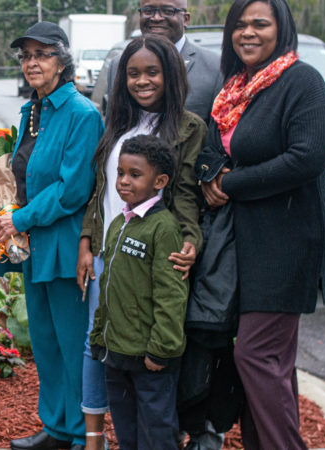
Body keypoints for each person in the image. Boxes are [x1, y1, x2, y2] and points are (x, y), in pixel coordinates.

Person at [199, 0, 325, 448]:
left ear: (282, 28)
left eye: (260, 23)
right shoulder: (236, 88)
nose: (248, 33)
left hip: (288, 242)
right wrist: (210, 177)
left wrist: (233, 183)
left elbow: (306, 158)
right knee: (269, 362)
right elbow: (217, 148)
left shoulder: (303, 82)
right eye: (240, 25)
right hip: (242, 243)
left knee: (255, 354)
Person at [0, 22, 104, 450]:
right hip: (32, 247)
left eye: (42, 54)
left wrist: (21, 218)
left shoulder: (82, 115)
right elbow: (25, 173)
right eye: (26, 55)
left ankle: (84, 436)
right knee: (44, 345)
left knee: (71, 346)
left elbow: (73, 189)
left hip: (65, 248)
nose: (32, 62)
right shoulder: (32, 111)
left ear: (63, 61)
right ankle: (56, 430)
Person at [76, 34, 205, 450]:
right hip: (108, 252)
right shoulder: (116, 122)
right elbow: (100, 190)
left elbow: (185, 192)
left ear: (170, 75)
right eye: (133, 73)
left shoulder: (188, 126)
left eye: (152, 72)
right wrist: (86, 240)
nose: (142, 81)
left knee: (150, 367)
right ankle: (99, 439)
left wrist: (190, 238)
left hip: (150, 254)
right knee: (104, 349)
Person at [89, 134, 189, 449]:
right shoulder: (120, 222)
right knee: (127, 433)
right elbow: (107, 287)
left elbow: (171, 295)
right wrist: (98, 335)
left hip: (150, 360)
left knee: (157, 434)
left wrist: (161, 349)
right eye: (120, 173)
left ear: (160, 181)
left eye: (135, 175)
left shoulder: (163, 228)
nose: (123, 182)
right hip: (116, 354)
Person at [93, 0, 222, 122]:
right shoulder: (118, 64)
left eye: (168, 11)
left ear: (186, 19)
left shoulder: (215, 67)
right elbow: (113, 128)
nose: (156, 18)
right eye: (148, 11)